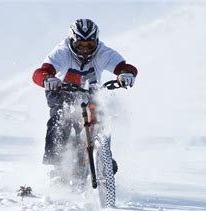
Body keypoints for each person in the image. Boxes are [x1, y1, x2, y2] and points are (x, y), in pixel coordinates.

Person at [32, 18, 138, 165]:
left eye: (90, 44)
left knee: (104, 114)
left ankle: (104, 157)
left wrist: (126, 74)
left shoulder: (103, 52)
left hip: (90, 91)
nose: (85, 49)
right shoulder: (61, 52)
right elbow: (39, 72)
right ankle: (55, 164)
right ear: (71, 41)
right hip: (61, 89)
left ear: (96, 42)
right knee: (60, 117)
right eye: (80, 44)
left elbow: (124, 67)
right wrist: (47, 79)